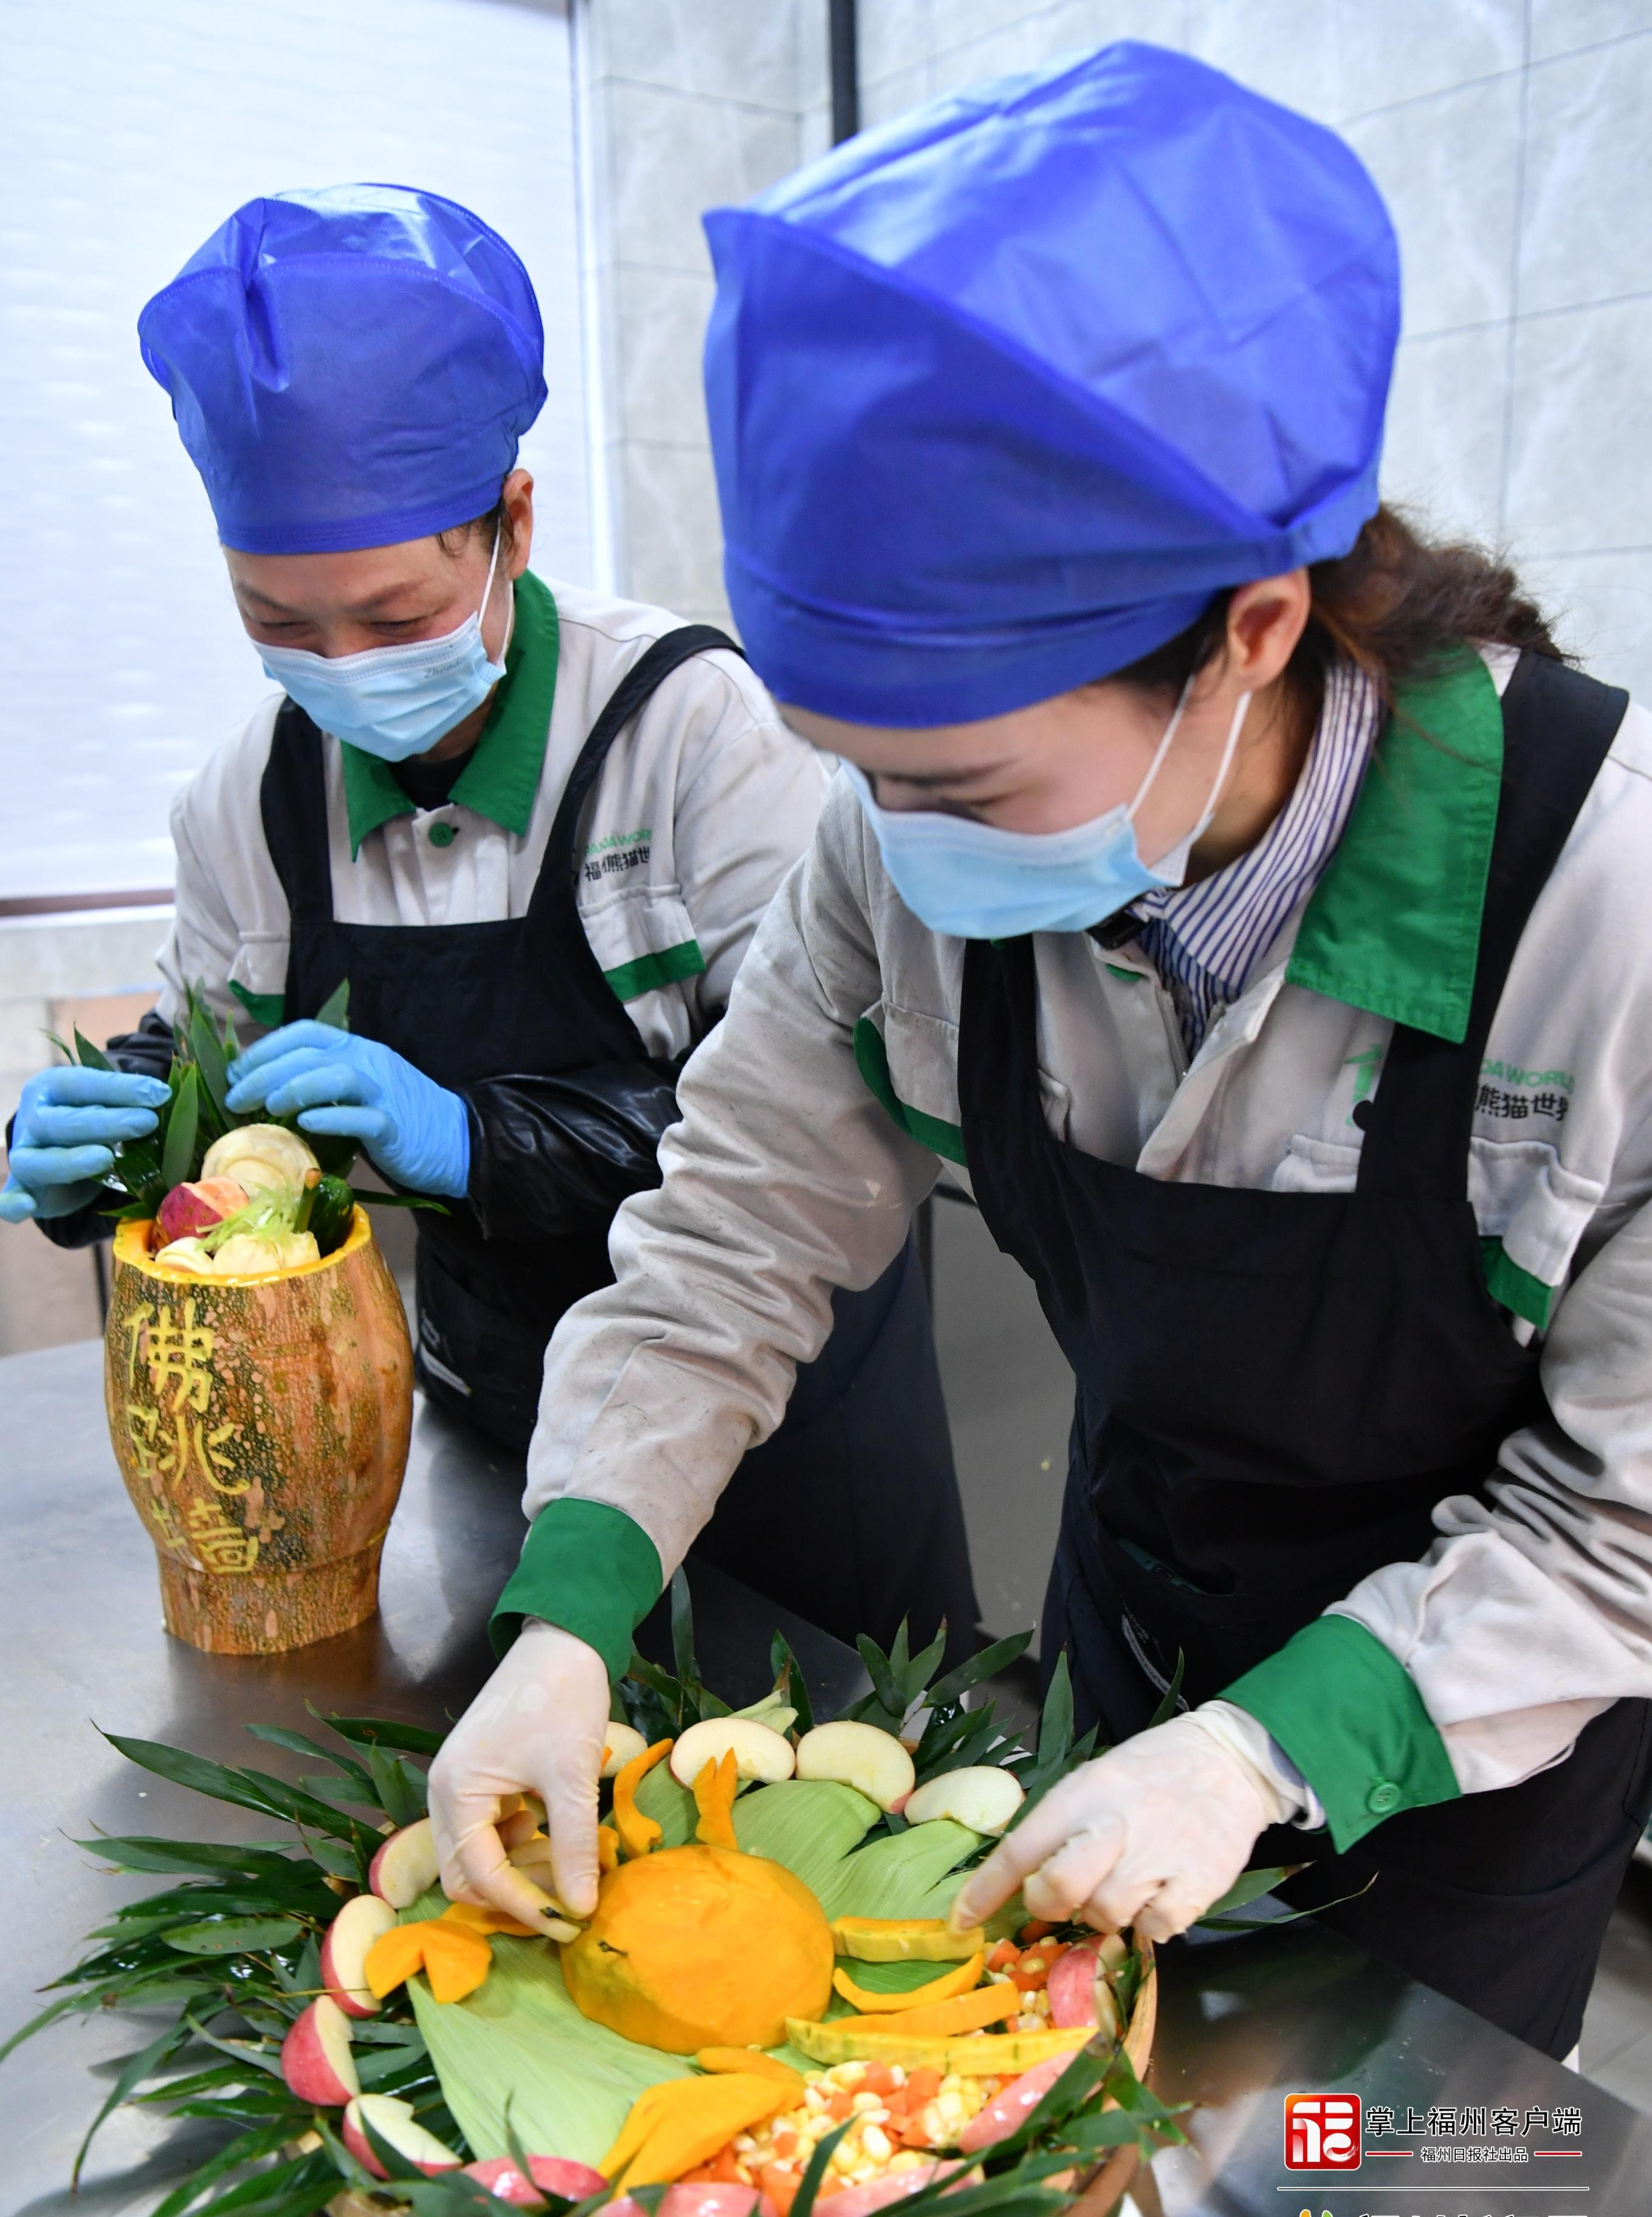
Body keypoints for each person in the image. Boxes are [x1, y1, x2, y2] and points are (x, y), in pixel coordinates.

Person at [427, 43, 1652, 2064]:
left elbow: (1645, 1517)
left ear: (1252, 631)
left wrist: (1260, 1755)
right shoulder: (903, 852)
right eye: (852, 771)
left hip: (1473, 1743)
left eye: (960, 780)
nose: (890, 839)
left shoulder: (1624, 914)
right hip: (1130, 1639)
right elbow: (736, 1232)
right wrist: (568, 1608)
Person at [0, 183, 977, 1655]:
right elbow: (205, 1074)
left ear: (511, 524)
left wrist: (473, 1137)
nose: (338, 668)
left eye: (392, 620)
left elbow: (814, 1122)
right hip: (497, 1428)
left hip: (786, 1434)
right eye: (279, 623)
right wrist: (122, 1133)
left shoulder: (693, 732)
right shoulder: (246, 803)